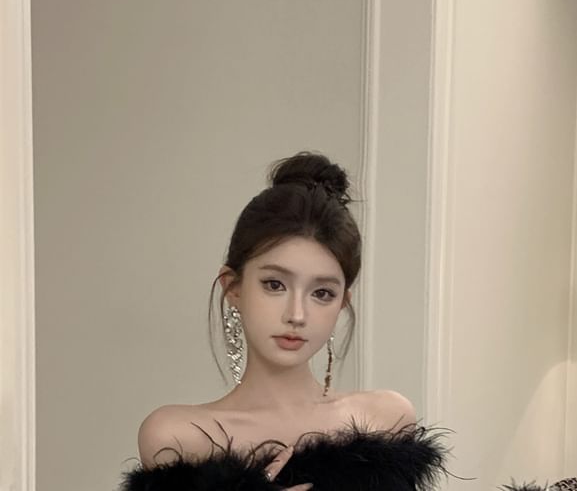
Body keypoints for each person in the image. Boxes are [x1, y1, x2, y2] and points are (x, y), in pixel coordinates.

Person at [120, 152, 449, 491]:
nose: (297, 314)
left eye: (322, 293)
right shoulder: (179, 437)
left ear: (342, 302)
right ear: (233, 287)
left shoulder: (384, 420)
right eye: (274, 285)